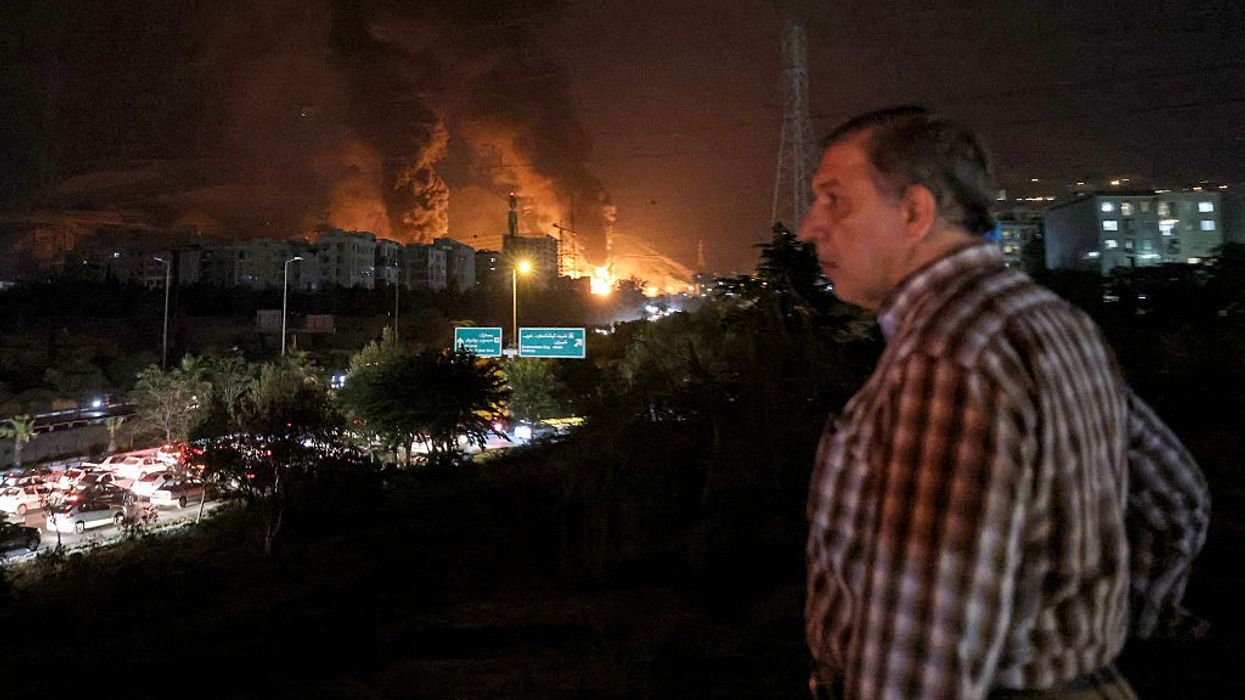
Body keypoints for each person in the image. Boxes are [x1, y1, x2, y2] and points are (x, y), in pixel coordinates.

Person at [798, 106, 1210, 699]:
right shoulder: (1050, 319)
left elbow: (923, 653)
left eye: (835, 199)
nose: (812, 225)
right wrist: (1093, 638)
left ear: (914, 211)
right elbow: (1176, 499)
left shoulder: (945, 358)